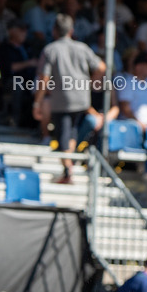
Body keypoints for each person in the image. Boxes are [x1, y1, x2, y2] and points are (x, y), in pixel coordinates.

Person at [32, 13, 107, 183]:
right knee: (71, 133)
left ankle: (68, 173)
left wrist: (37, 102)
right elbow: (102, 67)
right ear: (71, 31)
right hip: (81, 99)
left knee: (62, 137)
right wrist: (89, 85)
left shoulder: (50, 49)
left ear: (54, 31)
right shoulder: (82, 48)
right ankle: (69, 169)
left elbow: (44, 78)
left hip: (62, 100)